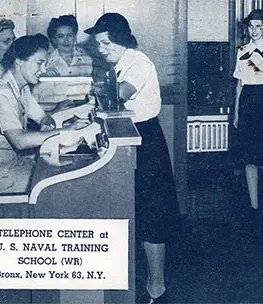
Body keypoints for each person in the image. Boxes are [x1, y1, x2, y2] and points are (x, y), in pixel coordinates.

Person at [84, 13, 180, 303]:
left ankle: (157, 288)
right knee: (137, 211)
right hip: (129, 136)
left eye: (104, 43)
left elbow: (120, 95)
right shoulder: (119, 64)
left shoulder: (137, 63)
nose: (100, 49)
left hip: (145, 139)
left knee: (152, 216)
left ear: (120, 39)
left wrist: (98, 99)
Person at [0, 34, 89, 194]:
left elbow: (44, 117)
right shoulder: (1, 93)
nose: (43, 70)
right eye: (39, 63)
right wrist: (66, 130)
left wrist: (47, 127)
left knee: (63, 173)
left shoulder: (21, 88)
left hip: (12, 162)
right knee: (58, 187)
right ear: (19, 61)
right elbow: (20, 141)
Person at [232, 9, 263, 218]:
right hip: (248, 101)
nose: (254, 30)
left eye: (259, 26)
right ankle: (254, 204)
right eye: (251, 26)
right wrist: (237, 113)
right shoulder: (242, 50)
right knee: (249, 156)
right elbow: (239, 84)